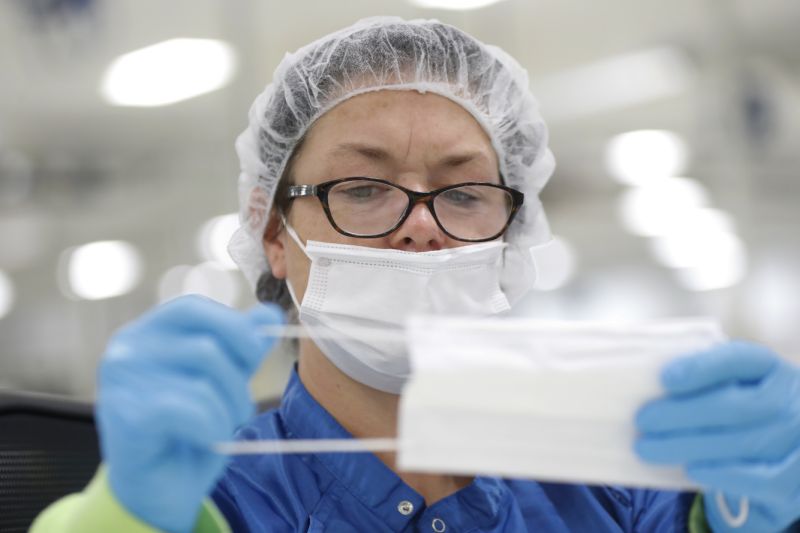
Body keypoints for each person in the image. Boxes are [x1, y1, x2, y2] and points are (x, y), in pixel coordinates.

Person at [32, 17, 800, 533]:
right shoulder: (206, 499)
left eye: (465, 193)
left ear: (512, 233)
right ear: (273, 233)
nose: (422, 224)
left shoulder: (626, 485)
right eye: (363, 189)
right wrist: (121, 515)